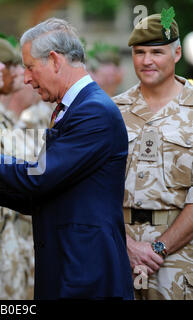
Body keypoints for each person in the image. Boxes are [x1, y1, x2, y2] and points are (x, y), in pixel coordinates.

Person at [0, 17, 134, 300]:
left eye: (30, 67)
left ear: (55, 61)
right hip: (73, 269)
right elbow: (46, 191)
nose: (25, 78)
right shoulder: (76, 108)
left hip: (86, 274)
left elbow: (41, 176)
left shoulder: (93, 111)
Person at [112, 11, 193, 300]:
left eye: (157, 52)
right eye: (140, 52)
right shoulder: (113, 111)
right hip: (119, 249)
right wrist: (127, 246)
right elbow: (94, 187)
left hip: (180, 257)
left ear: (177, 53)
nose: (147, 61)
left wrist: (158, 248)